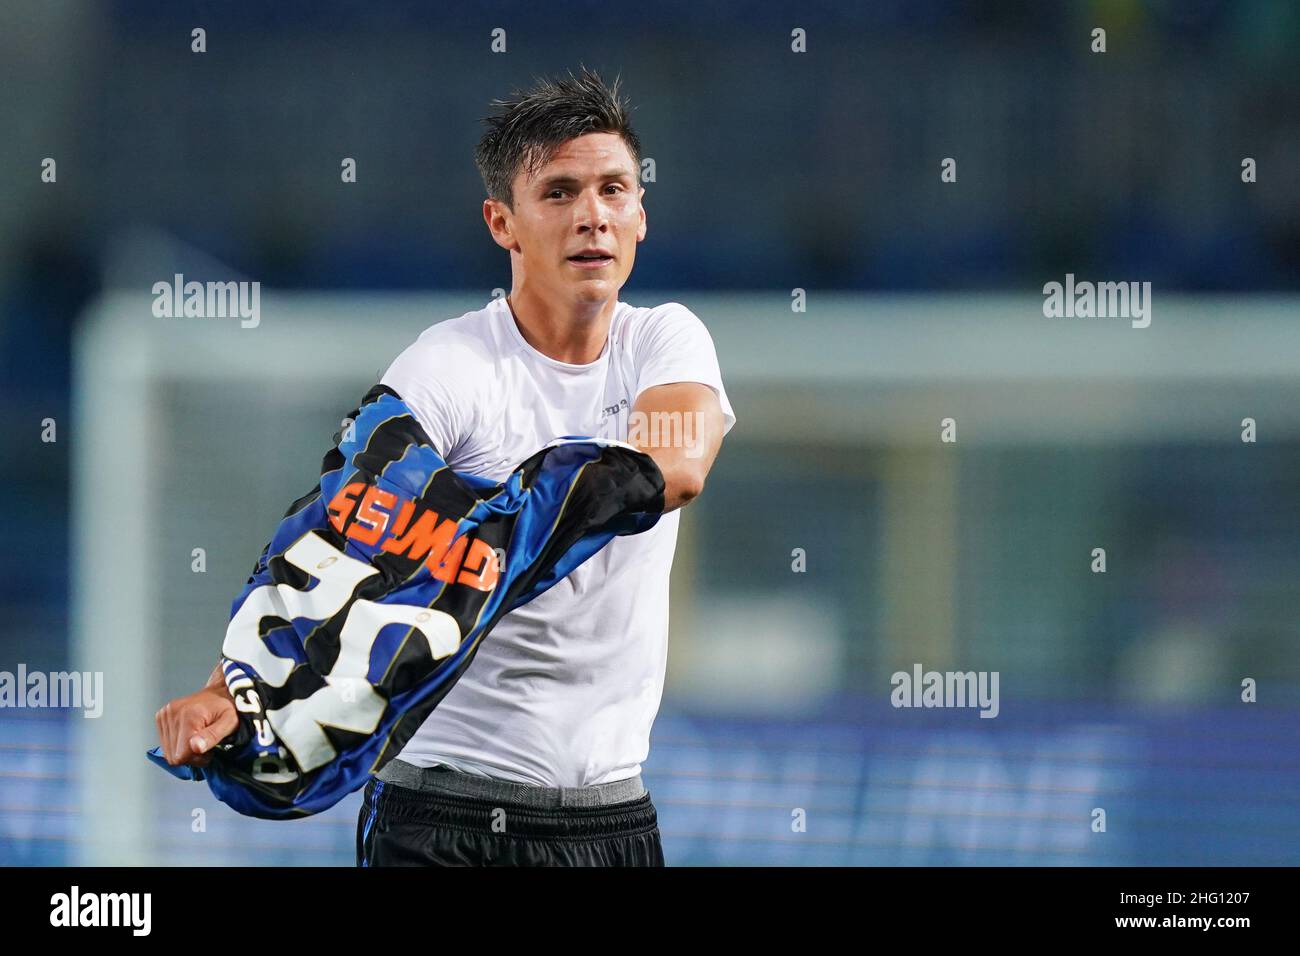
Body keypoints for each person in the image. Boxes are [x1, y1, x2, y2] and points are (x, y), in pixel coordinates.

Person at [155, 65, 737, 866]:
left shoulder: (665, 339)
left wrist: (486, 536)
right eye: (560, 193)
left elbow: (674, 463)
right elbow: (339, 526)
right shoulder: (451, 367)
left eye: (614, 190)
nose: (592, 217)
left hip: (611, 819)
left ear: (641, 214)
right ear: (503, 223)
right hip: (442, 817)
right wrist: (232, 687)